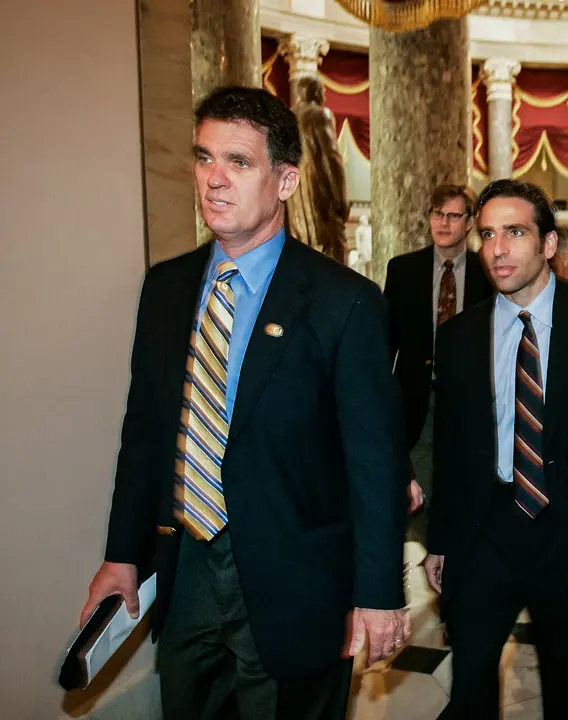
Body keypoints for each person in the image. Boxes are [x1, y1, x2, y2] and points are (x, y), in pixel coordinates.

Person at [79, 87, 410, 719]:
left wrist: (378, 593)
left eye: (239, 162)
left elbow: (374, 464)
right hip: (187, 571)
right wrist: (121, 554)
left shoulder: (347, 302)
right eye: (205, 159)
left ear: (286, 180)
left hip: (298, 581)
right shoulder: (167, 287)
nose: (215, 181)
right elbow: (146, 432)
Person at [424, 179, 568, 719]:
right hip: (485, 533)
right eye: (487, 234)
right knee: (470, 689)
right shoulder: (460, 335)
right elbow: (451, 447)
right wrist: (440, 540)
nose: (498, 248)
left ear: (549, 244)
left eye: (514, 232)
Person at [383, 184, 494, 543]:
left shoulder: (488, 273)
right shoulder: (403, 270)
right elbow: (386, 342)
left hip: (470, 403)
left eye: (453, 215)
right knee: (417, 498)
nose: (443, 223)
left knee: (464, 491)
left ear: (470, 222)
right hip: (416, 403)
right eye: (437, 213)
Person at [286, 75, 350, 263]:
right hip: (319, 190)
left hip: (295, 197)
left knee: (303, 254)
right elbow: (331, 157)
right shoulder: (320, 114)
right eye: (323, 92)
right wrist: (341, 198)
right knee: (332, 252)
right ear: (315, 92)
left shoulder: (288, 119)